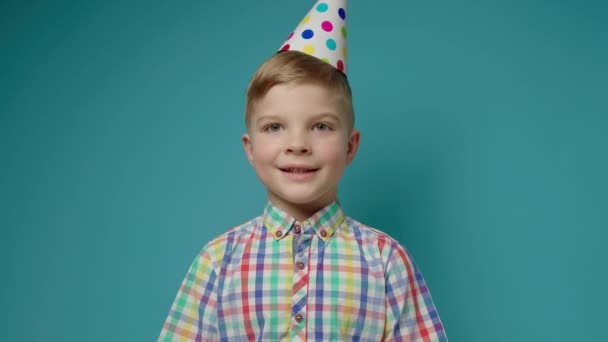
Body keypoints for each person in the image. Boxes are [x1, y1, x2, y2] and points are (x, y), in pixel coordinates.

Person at [159, 1, 446, 340]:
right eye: (275, 127)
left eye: (321, 126)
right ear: (250, 148)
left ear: (350, 146)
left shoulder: (386, 261)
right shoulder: (218, 262)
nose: (298, 144)